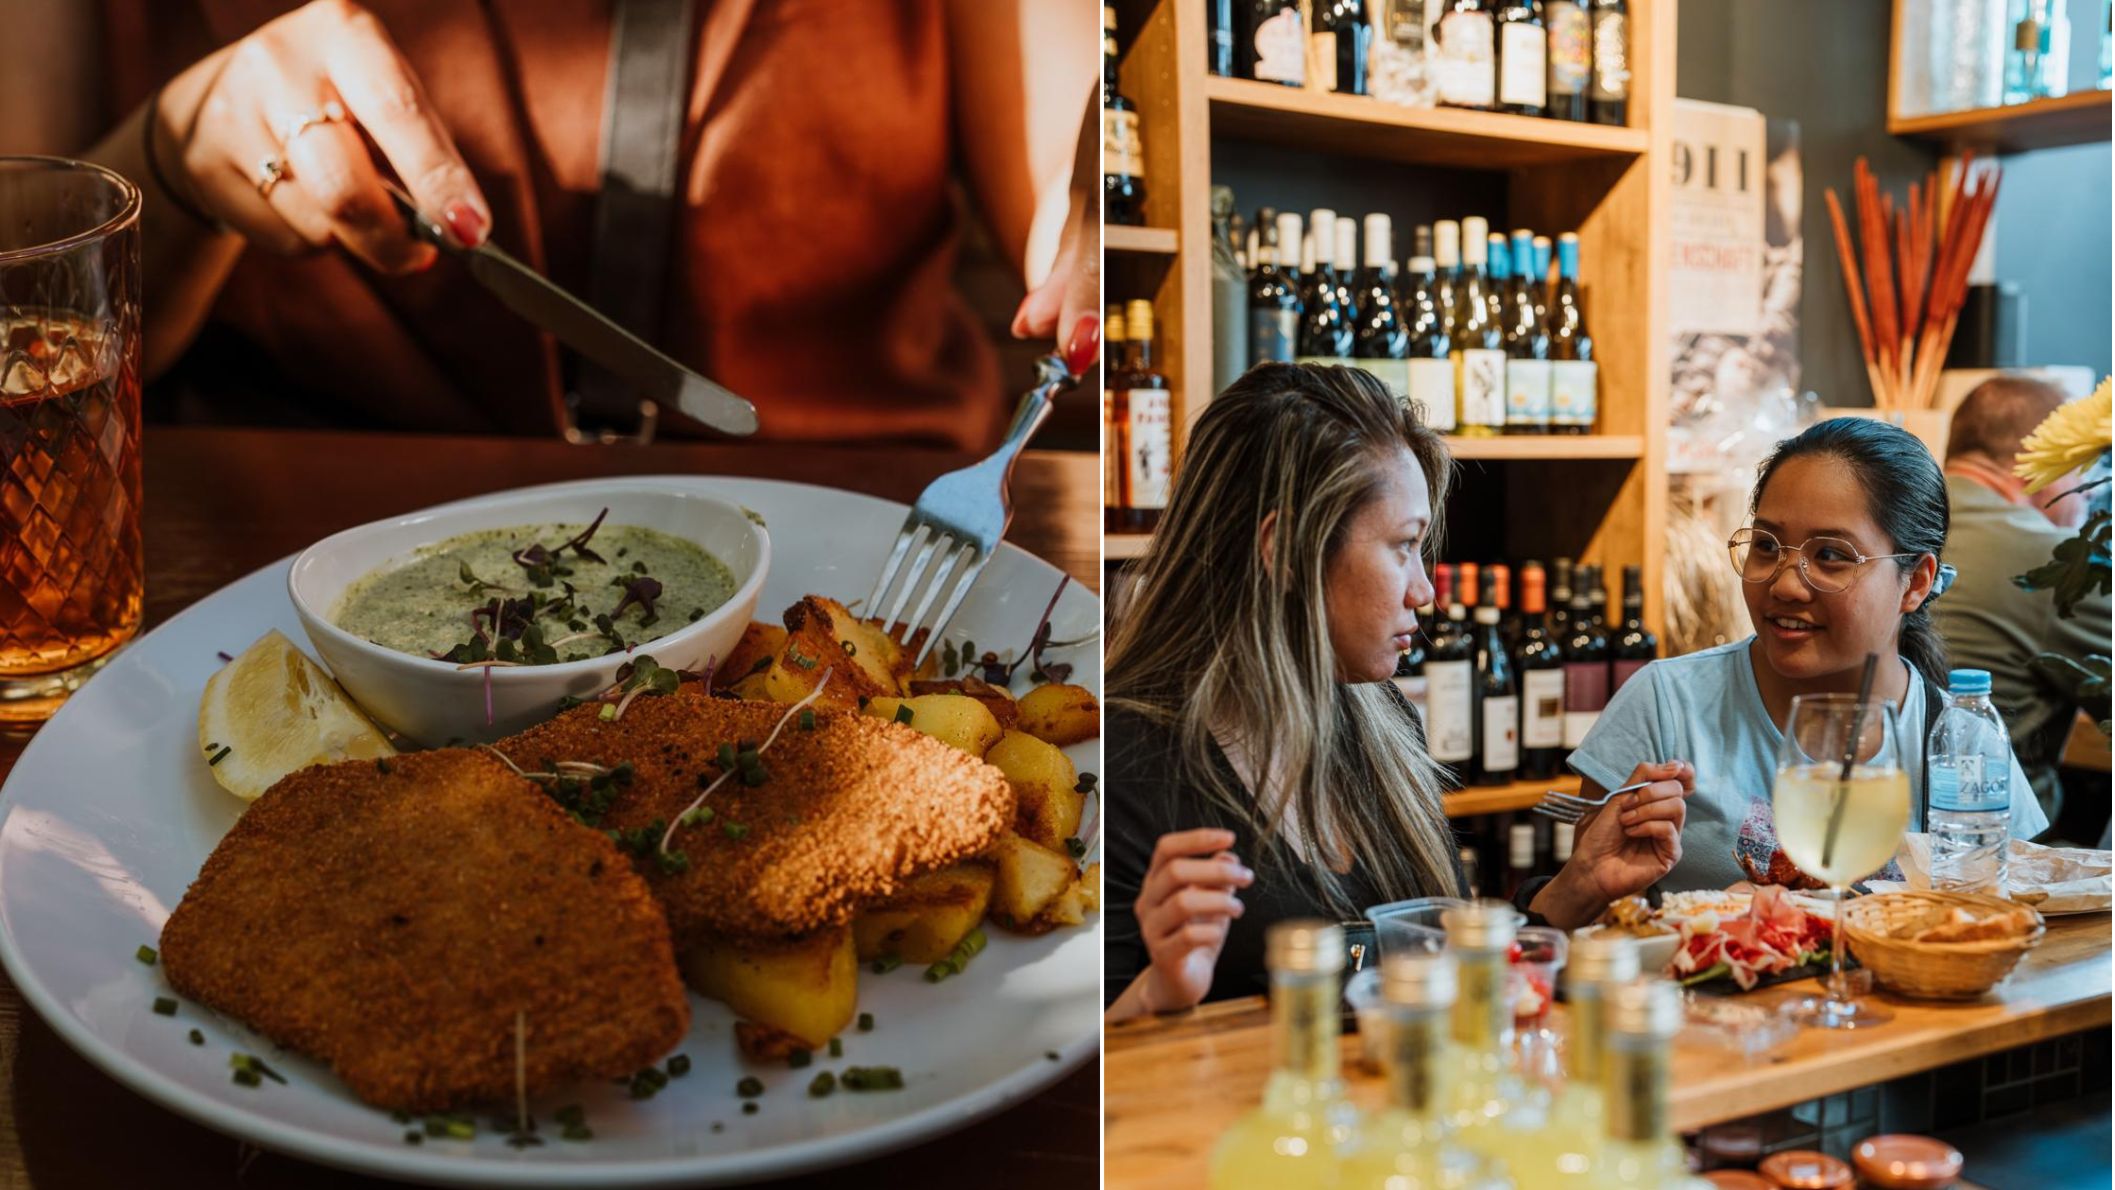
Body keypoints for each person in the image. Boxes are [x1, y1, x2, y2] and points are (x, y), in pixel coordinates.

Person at [32, 0, 1098, 445]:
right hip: (274, 559)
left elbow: (1066, 188)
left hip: (858, 543)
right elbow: (20, 298)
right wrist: (168, 167)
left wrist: (1097, 230)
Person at [1100, 365, 1694, 1018]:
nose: (1424, 590)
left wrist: (1577, 888)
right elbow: (1087, 1069)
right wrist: (1157, 994)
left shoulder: (1380, 717)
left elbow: (1448, 982)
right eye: (1404, 546)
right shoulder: (1125, 766)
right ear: (1287, 552)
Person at [1538, 417, 2052, 929]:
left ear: (1915, 582)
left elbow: (2019, 922)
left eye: (1830, 556)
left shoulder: (1960, 737)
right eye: (1766, 546)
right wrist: (1587, 887)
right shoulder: (1666, 704)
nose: (1785, 585)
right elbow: (1579, 936)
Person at [1933, 376, 2110, 832]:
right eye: (2084, 471)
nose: (2090, 493)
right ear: (2040, 463)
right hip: (1999, 851)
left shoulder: (1896, 525)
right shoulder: (2054, 559)